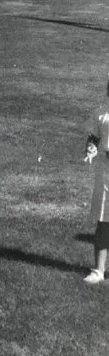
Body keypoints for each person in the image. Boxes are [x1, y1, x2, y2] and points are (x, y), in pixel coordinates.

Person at [83, 75, 109, 284]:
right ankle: (99, 270)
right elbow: (93, 137)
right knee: (104, 219)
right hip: (106, 170)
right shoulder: (101, 113)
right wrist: (91, 149)